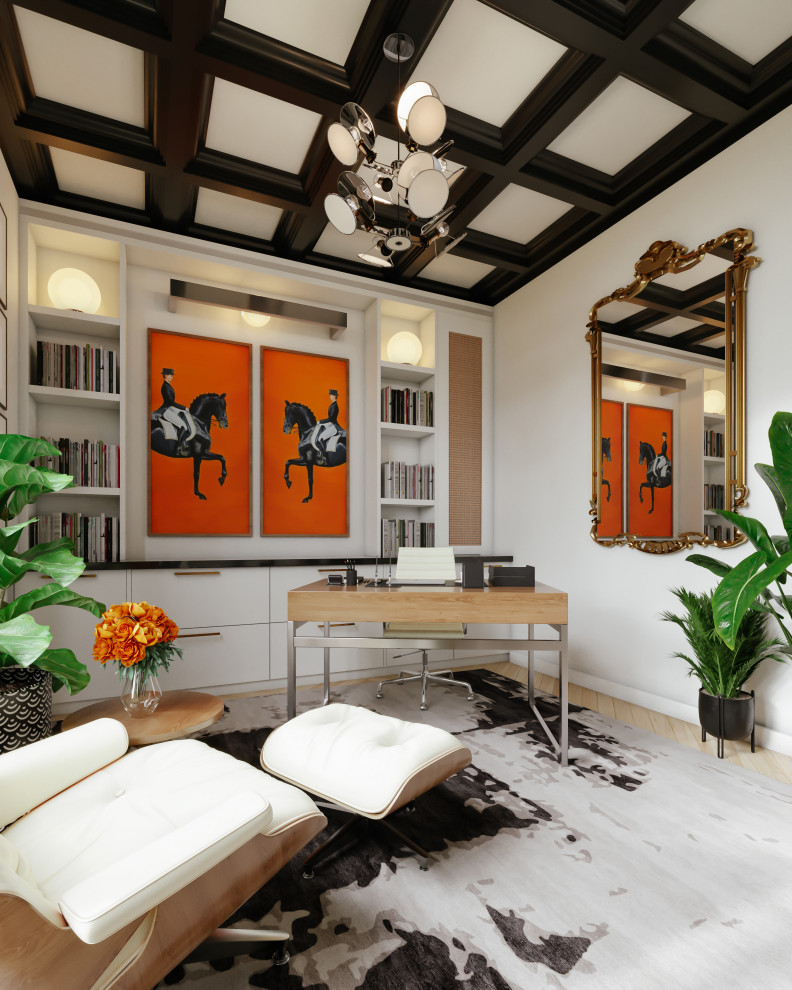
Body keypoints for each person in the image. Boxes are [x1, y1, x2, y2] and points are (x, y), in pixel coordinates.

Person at [155, 368, 197, 456]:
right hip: (167, 410)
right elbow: (170, 402)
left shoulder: (168, 385)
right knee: (183, 426)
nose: (172, 377)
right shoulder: (165, 386)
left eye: (172, 375)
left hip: (170, 408)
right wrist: (183, 407)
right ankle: (179, 447)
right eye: (170, 375)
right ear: (166, 375)